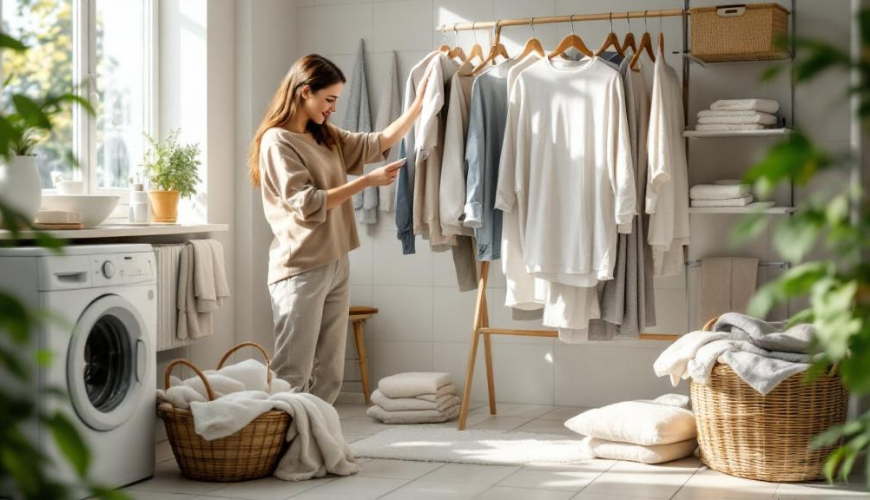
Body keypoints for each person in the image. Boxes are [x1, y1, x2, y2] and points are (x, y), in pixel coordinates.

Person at [248, 54, 429, 404]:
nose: (332, 108)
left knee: (330, 372)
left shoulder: (324, 135)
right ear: (304, 92)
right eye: (328, 99)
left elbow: (376, 143)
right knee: (293, 372)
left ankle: (317, 447)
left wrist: (419, 105)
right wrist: (366, 182)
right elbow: (306, 202)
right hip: (300, 267)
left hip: (335, 262)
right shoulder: (277, 142)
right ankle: (285, 454)